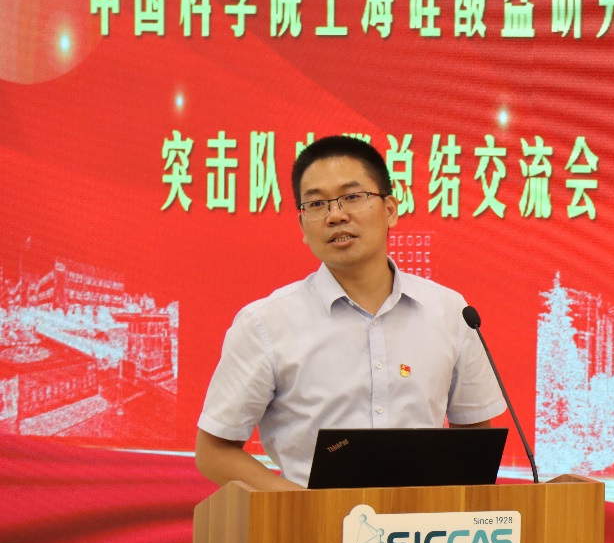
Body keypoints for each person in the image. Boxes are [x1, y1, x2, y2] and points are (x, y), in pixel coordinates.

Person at [194, 135, 506, 491]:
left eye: (353, 197)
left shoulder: (450, 312)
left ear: (390, 210)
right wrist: (304, 508)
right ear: (302, 227)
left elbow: (473, 438)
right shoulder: (264, 324)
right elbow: (214, 451)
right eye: (316, 204)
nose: (335, 215)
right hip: (309, 522)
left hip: (420, 524)